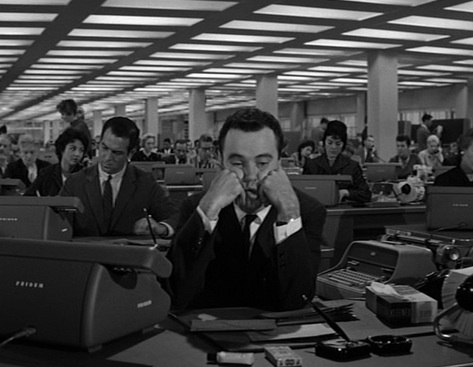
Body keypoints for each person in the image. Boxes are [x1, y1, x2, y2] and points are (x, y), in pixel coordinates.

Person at [168, 108, 327, 311]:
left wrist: (288, 214)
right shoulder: (197, 208)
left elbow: (297, 298)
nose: (251, 175)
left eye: (262, 163)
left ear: (280, 160)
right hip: (206, 331)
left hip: (276, 333)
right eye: (237, 163)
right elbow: (175, 292)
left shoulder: (305, 210)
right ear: (220, 160)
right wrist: (208, 210)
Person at [60, 116, 177, 237]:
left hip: (128, 254)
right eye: (104, 148)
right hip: (85, 254)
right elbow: (57, 223)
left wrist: (161, 228)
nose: (107, 158)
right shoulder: (75, 183)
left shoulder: (145, 182)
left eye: (116, 153)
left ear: (130, 153)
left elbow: (174, 217)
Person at [303, 120, 371, 203]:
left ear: (343, 144)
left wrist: (348, 193)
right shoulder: (311, 164)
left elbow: (366, 194)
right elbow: (303, 191)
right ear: (324, 142)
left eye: (338, 144)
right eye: (330, 142)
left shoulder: (352, 166)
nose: (333, 147)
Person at [24, 128, 87, 196]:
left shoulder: (85, 175)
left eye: (81, 150)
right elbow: (28, 197)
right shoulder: (46, 173)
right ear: (62, 149)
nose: (77, 154)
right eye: (72, 149)